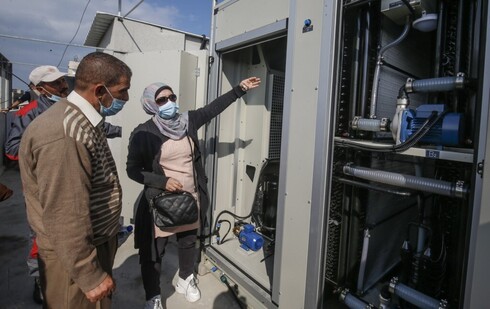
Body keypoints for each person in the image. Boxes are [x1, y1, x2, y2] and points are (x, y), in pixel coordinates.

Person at [126, 76, 261, 308]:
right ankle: (153, 295)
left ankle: (186, 279)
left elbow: (212, 109)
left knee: (188, 242)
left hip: (190, 197)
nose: (170, 102)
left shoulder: (187, 121)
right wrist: (162, 181)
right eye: (162, 100)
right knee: (154, 252)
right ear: (151, 105)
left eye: (172, 97)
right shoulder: (143, 132)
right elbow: (132, 170)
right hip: (160, 201)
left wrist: (240, 89)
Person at [18, 52, 132, 308]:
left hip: (90, 247)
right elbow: (64, 213)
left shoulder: (82, 121)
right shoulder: (65, 133)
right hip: (73, 258)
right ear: (100, 90)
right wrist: (87, 274)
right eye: (122, 91)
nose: (125, 98)